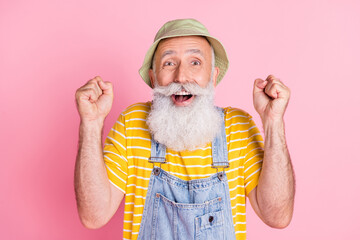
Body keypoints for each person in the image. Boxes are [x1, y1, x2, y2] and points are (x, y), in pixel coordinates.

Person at [74, 19, 295, 240]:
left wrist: (273, 121)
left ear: (213, 77)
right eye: (169, 63)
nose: (181, 76)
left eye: (195, 62)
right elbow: (94, 216)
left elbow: (277, 216)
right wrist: (91, 123)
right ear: (153, 78)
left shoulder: (238, 127)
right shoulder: (132, 124)